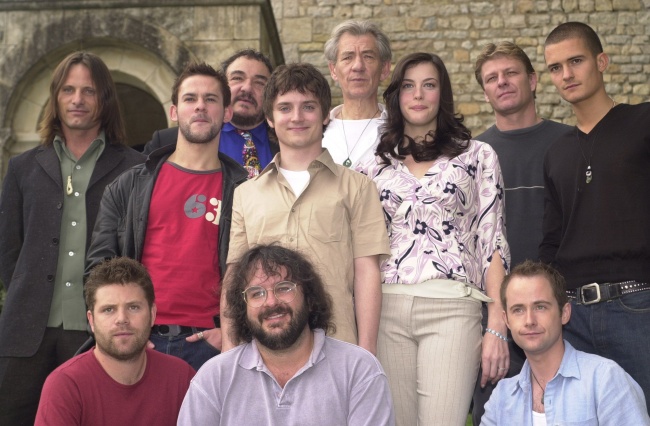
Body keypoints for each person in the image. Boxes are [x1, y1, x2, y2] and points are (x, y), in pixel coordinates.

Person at [356, 52, 510, 426]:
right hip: (386, 310)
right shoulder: (371, 164)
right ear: (396, 95)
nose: (418, 94)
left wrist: (497, 324)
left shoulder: (478, 156)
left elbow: (493, 242)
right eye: (408, 86)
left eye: (429, 85)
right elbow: (360, 251)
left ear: (442, 93)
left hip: (452, 307)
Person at [0, 51, 145, 425]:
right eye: (68, 90)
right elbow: (8, 248)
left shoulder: (134, 168)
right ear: (56, 97)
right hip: (25, 331)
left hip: (97, 333)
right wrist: (27, 293)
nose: (77, 99)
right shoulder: (22, 167)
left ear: (104, 99)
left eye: (88, 91)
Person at [86, 62, 248, 370]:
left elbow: (254, 272)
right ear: (174, 111)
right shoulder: (129, 186)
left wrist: (230, 332)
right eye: (190, 99)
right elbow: (99, 268)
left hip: (211, 345)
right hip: (141, 341)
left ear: (227, 113)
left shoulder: (244, 190)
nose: (200, 106)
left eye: (211, 99)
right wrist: (124, 332)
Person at [224, 63, 390, 354]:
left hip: (338, 348)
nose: (297, 117)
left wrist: (367, 352)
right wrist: (229, 347)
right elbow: (235, 277)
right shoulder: (246, 194)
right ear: (269, 118)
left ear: (326, 115)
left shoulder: (358, 187)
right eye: (285, 108)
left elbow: (367, 274)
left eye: (308, 107)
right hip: (265, 350)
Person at [541, 21, 650, 409]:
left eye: (576, 61)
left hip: (637, 306)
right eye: (556, 68)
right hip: (573, 318)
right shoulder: (556, 153)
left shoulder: (642, 124)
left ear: (601, 62)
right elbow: (552, 239)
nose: (566, 75)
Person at [178, 244, 395, 426]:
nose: (271, 302)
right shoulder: (214, 377)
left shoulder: (359, 369)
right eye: (256, 293)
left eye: (284, 288)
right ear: (242, 310)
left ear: (309, 298)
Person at [470, 41, 572, 424]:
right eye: (492, 78)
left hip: (564, 310)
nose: (502, 82)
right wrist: (493, 321)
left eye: (510, 73)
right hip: (496, 317)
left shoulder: (570, 143)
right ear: (485, 92)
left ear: (532, 80)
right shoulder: (473, 154)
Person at [481, 260, 650, 425]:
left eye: (540, 307)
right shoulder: (501, 398)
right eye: (518, 310)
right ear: (507, 320)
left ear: (565, 313)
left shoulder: (605, 380)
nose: (529, 320)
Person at [35, 257, 195, 426]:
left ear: (152, 314)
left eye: (133, 307)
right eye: (108, 309)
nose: (122, 319)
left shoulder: (182, 377)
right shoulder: (65, 385)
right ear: (91, 320)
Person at [143, 49, 278, 177]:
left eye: (259, 83)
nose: (247, 88)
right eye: (237, 78)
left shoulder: (284, 143)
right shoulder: (165, 142)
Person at [322, 20, 392, 168]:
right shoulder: (315, 131)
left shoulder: (402, 131)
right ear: (333, 70)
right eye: (348, 57)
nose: (358, 66)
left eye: (368, 57)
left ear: (384, 69)